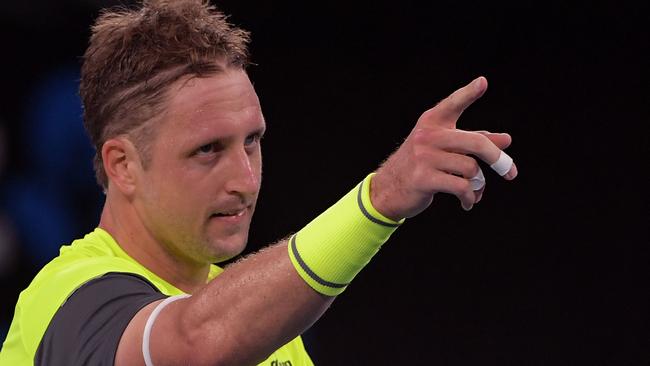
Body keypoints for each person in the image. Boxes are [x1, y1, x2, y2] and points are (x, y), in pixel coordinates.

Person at [0, 0, 517, 365]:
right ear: (122, 165)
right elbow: (195, 345)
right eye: (208, 149)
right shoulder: (66, 299)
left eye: (252, 140)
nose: (245, 180)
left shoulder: (267, 328)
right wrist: (378, 201)